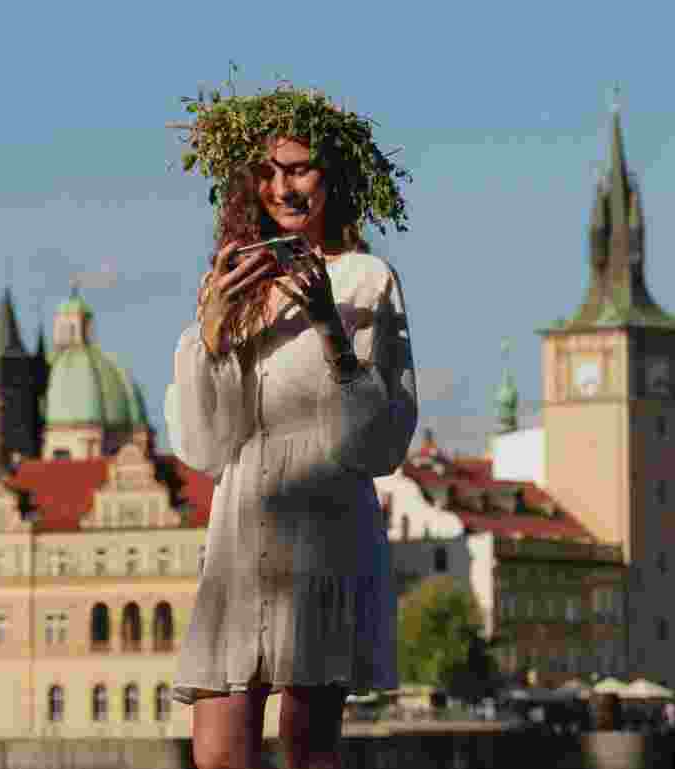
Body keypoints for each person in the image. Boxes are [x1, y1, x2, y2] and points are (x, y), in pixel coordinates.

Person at [165, 83, 417, 769]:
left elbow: (381, 442)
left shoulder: (368, 278)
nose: (285, 186)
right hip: (245, 514)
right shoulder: (236, 275)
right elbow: (205, 443)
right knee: (217, 751)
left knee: (308, 748)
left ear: (331, 175)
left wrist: (331, 326)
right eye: (269, 171)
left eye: (300, 167)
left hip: (324, 516)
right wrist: (211, 336)